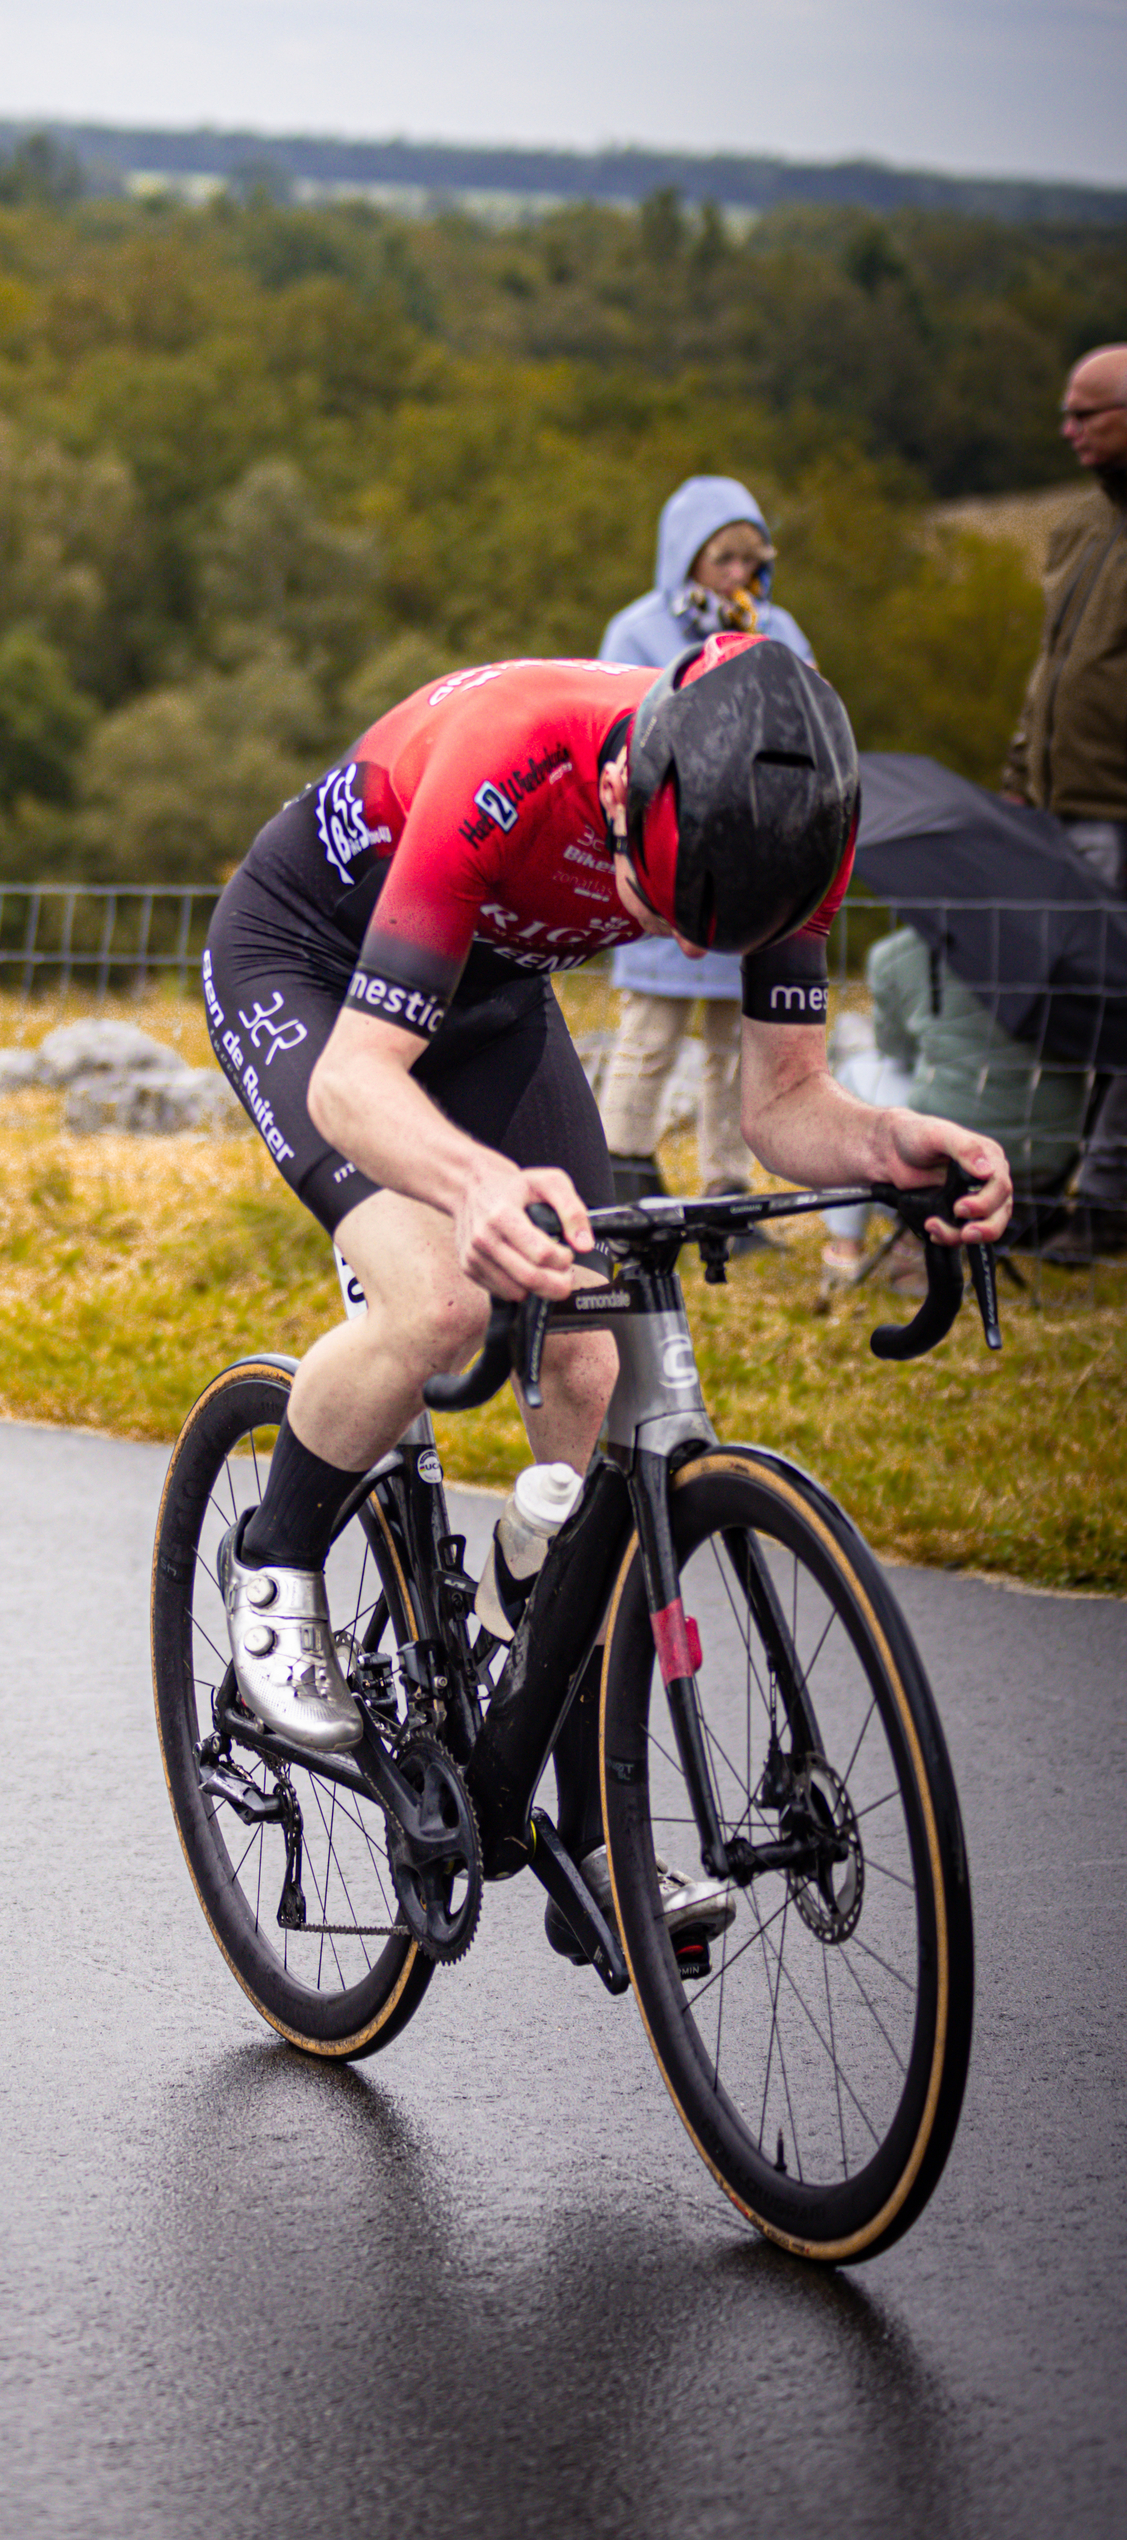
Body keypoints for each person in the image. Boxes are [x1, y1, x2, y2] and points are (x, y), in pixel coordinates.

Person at [202, 632, 1011, 1954]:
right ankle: (273, 1567)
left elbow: (783, 1104)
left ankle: (575, 1822)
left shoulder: (800, 829)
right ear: (629, 789)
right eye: (652, 898)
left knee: (589, 1367)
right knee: (436, 1307)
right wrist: (470, 1188)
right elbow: (355, 1088)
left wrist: (888, 1148)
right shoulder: (509, 755)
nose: (661, 935)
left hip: (481, 999)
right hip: (310, 975)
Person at [596, 478, 815, 1214]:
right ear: (684, 558)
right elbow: (616, 728)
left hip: (749, 862)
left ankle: (727, 1188)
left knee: (733, 1043)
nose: (737, 576)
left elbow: (809, 723)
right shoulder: (636, 631)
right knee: (650, 1032)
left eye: (752, 560)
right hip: (667, 857)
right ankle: (620, 1169)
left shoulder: (779, 628)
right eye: (723, 558)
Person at [1001, 342, 1127, 1262]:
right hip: (1057, 806)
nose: (1068, 430)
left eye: (1087, 414)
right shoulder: (1081, 527)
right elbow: (1052, 671)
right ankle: (1055, 1182)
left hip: (1119, 811)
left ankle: (1110, 1197)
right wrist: (1018, 775)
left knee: (1119, 1005)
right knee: (1068, 1003)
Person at [820, 928, 1087, 1281]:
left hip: (945, 1154)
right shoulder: (1067, 951)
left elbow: (895, 1049)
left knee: (854, 1071)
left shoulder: (898, 953)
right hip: (1044, 1156)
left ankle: (847, 1247)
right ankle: (912, 1237)